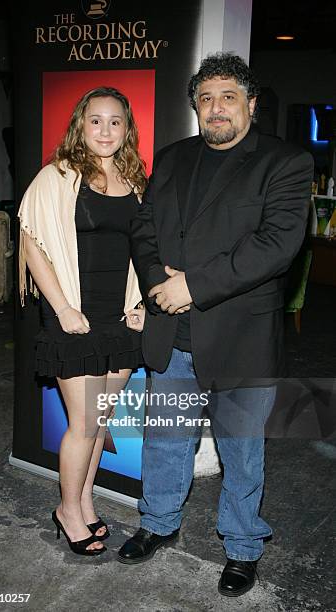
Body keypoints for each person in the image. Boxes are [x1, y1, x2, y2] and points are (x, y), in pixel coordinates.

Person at [118, 53, 314, 597]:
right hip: (172, 333)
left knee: (241, 449)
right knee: (165, 440)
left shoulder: (286, 162)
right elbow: (143, 226)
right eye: (205, 99)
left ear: (251, 104)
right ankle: (157, 522)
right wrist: (160, 281)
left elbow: (275, 246)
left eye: (228, 96)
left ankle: (243, 545)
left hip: (239, 336)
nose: (216, 108)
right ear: (196, 109)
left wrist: (193, 286)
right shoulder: (174, 158)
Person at [18, 86, 146, 556]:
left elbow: (143, 249)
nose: (106, 130)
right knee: (85, 423)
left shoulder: (135, 179)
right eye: (96, 121)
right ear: (80, 125)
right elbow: (33, 246)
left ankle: (84, 500)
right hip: (73, 313)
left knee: (101, 417)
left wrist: (141, 302)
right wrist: (64, 309)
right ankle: (67, 510)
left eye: (116, 121)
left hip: (119, 316)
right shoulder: (57, 176)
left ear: (127, 128)